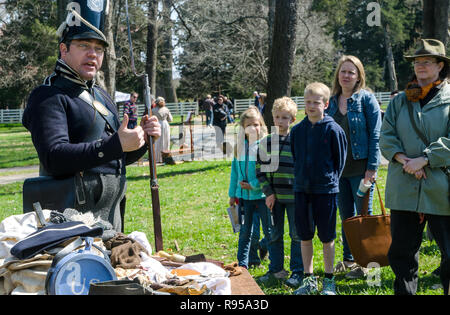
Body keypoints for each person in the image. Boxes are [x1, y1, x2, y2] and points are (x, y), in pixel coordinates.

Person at [22, 1, 161, 233]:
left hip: (109, 214)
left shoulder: (101, 96)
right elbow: (54, 158)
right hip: (70, 219)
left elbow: (113, 160)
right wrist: (116, 144)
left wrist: (142, 141)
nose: (92, 54)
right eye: (84, 45)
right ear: (63, 49)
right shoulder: (48, 95)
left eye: (99, 49)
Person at [380, 38, 450, 295]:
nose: (420, 66)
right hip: (404, 185)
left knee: (449, 252)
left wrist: (426, 158)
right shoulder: (400, 101)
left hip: (441, 186)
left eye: (427, 61)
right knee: (401, 254)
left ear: (440, 66)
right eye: (417, 61)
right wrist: (404, 160)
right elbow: (386, 136)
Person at [325, 55, 382, 279]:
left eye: (351, 72)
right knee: (346, 217)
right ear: (337, 75)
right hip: (338, 172)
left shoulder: (366, 99)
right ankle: (349, 261)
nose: (346, 76)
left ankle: (365, 263)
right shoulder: (330, 101)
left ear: (358, 76)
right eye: (343, 71)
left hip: (361, 170)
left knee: (363, 216)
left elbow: (375, 135)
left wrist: (372, 168)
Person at [291, 82, 347, 295]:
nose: (312, 106)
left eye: (316, 102)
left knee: (327, 237)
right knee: (305, 235)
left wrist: (327, 181)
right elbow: (296, 158)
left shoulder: (334, 130)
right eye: (308, 102)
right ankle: (308, 278)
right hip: (302, 190)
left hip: (326, 191)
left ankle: (329, 279)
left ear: (326, 104)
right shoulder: (297, 131)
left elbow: (339, 162)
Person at [256, 97, 303, 287]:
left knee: (296, 234)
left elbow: (303, 168)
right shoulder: (266, 143)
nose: (280, 121)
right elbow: (260, 170)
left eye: (285, 117)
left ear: (292, 119)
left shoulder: (298, 141)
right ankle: (276, 270)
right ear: (272, 119)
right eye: (277, 117)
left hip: (294, 198)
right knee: (274, 234)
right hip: (274, 198)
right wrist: (268, 192)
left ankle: (297, 271)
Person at [228, 106, 274, 270]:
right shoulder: (239, 147)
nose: (253, 128)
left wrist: (253, 185)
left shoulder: (265, 146)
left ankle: (275, 265)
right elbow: (234, 173)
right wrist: (232, 194)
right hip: (244, 199)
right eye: (249, 125)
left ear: (261, 125)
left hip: (262, 197)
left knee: (269, 232)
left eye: (256, 124)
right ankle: (243, 265)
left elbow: (268, 173)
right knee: (245, 232)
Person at [152, 96, 173, 163]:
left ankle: (157, 158)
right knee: (166, 141)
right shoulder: (166, 109)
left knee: (157, 142)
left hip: (157, 125)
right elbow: (170, 119)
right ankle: (166, 157)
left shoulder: (153, 110)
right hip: (165, 125)